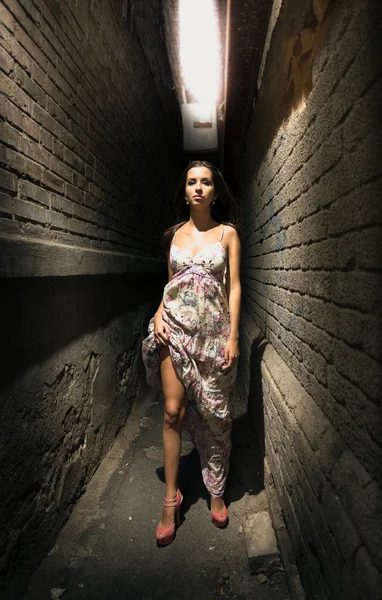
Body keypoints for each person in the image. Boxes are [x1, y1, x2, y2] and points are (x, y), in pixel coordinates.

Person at [142, 160, 241, 546]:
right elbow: (171, 286)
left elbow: (233, 287)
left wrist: (232, 336)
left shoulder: (228, 234)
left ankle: (215, 488)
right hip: (175, 331)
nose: (198, 188)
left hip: (214, 336)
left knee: (215, 415)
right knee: (172, 411)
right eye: (191, 182)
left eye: (205, 182)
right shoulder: (174, 236)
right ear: (184, 193)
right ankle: (171, 500)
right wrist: (157, 315)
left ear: (215, 192)